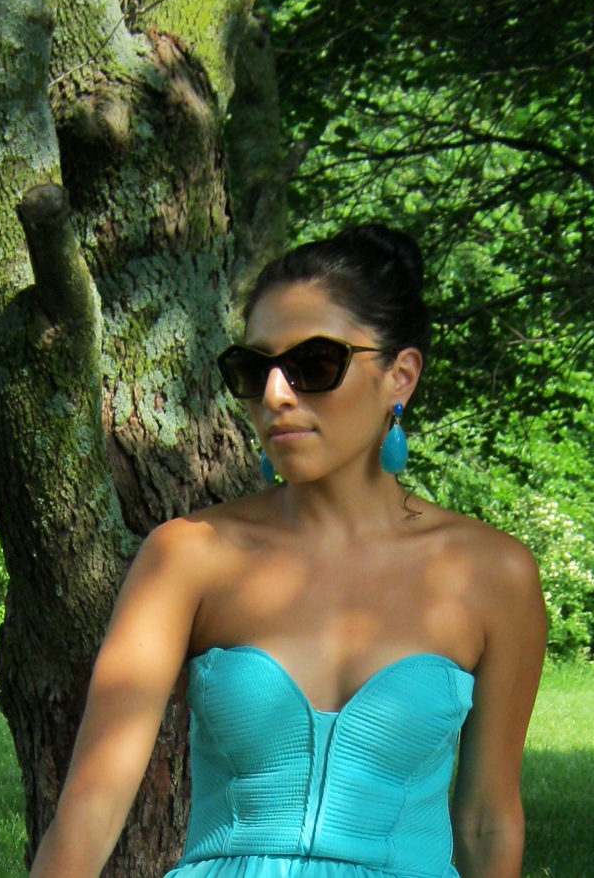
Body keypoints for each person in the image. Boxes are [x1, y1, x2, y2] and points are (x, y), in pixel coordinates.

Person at [29, 224, 548, 878]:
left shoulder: (492, 575)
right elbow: (89, 810)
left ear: (400, 377)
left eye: (314, 365)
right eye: (254, 370)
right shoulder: (189, 557)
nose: (276, 395)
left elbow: (487, 822)